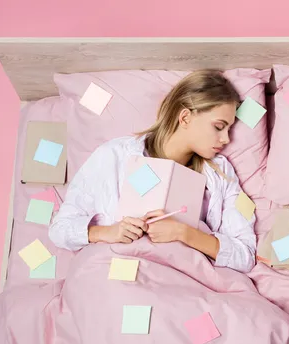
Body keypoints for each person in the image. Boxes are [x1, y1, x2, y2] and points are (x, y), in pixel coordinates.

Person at [49, 70, 256, 273]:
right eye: (219, 126)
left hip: (181, 277)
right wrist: (108, 232)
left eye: (229, 128)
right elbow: (60, 230)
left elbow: (245, 256)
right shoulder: (113, 155)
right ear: (185, 118)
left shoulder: (221, 172)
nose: (226, 139)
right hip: (116, 271)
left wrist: (184, 233)